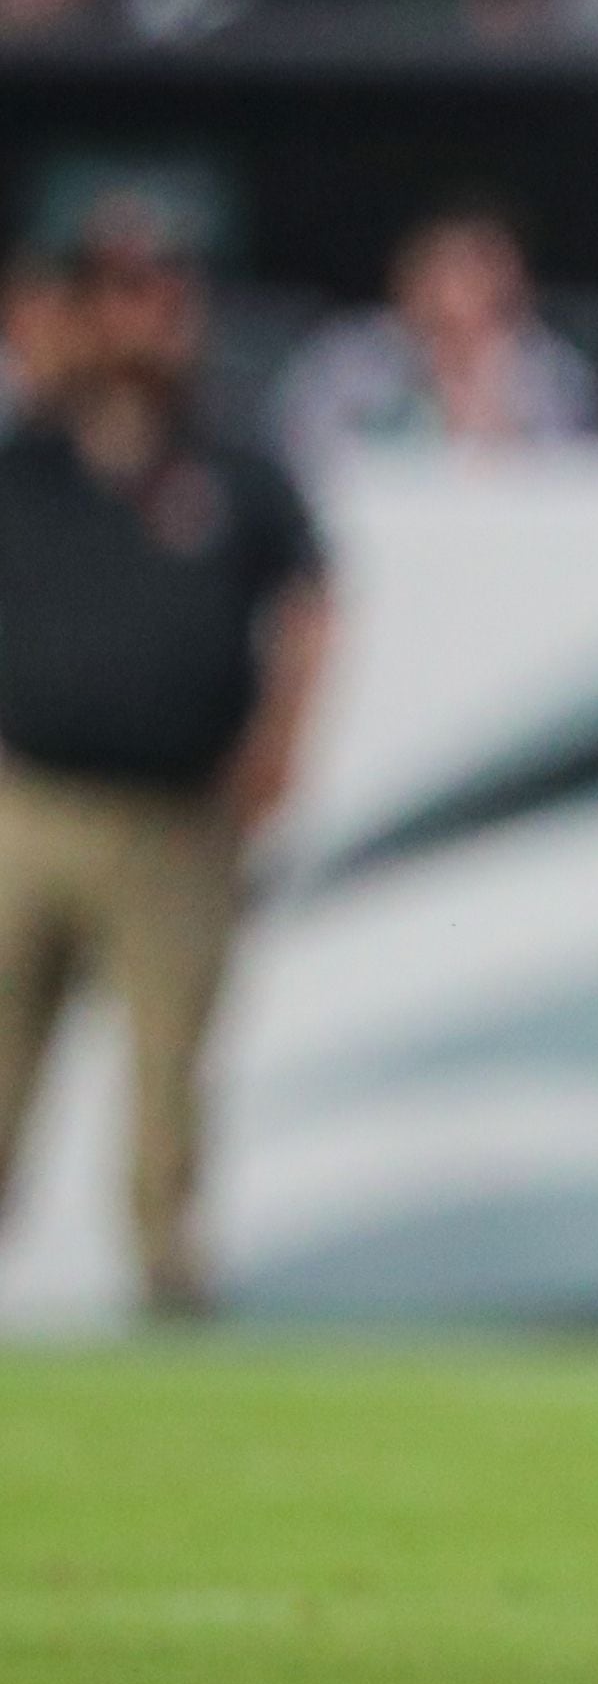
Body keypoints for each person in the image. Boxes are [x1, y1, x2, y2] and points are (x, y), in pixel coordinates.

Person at [0, 201, 329, 1318]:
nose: (152, 319)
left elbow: (309, 601)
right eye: (125, 294)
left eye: (168, 294)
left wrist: (279, 743)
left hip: (177, 812)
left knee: (169, 1065)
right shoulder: (29, 455)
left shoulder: (235, 459)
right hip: (30, 801)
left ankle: (168, 1272)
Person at [271, 200, 598, 478]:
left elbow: (580, 478)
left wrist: (487, 407)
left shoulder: (554, 374)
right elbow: (299, 460)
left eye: (483, 274)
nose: (459, 296)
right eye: (445, 272)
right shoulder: (345, 358)